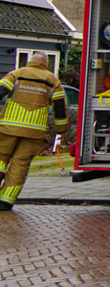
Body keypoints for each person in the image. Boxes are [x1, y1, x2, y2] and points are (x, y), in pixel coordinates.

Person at [0, 51, 67, 211]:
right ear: (46, 63)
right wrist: (61, 130)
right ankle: (5, 201)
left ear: (31, 61)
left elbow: (1, 90)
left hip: (8, 127)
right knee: (20, 164)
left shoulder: (16, 74)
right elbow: (59, 108)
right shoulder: (53, 81)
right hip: (34, 131)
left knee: (1, 156)